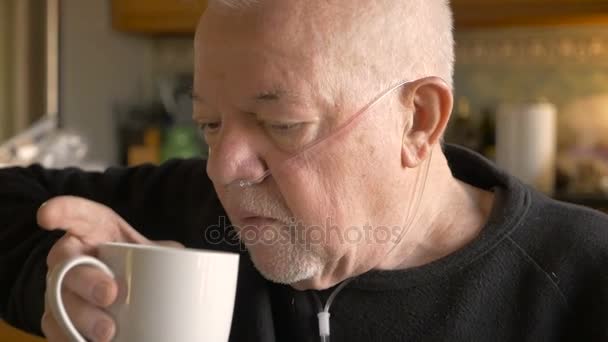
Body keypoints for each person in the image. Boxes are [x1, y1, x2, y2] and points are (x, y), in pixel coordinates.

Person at [1, 0, 608, 341]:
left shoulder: (584, 278)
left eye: (283, 123)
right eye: (210, 123)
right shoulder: (190, 213)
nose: (225, 168)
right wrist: (59, 286)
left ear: (418, 121)